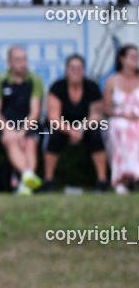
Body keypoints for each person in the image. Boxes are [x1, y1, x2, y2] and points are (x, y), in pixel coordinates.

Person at [42, 54, 108, 192]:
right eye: (72, 68)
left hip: (86, 125)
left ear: (84, 70)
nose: (76, 71)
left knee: (96, 135)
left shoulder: (92, 87)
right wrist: (70, 131)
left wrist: (81, 128)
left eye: (79, 68)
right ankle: (48, 181)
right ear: (66, 70)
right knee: (53, 136)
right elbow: (53, 117)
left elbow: (95, 115)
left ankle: (102, 181)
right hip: (62, 125)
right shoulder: (57, 87)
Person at [0, 45, 43, 195]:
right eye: (18, 60)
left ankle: (25, 185)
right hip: (5, 123)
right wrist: (8, 129)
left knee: (30, 143)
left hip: (28, 123)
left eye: (24, 59)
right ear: (9, 62)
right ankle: (28, 176)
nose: (22, 63)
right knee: (11, 140)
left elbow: (35, 111)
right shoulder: (0, 80)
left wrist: (23, 131)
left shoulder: (35, 80)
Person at [102, 44, 139, 194]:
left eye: (137, 57)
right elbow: (106, 108)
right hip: (118, 118)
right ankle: (121, 179)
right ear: (122, 59)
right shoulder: (112, 81)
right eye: (132, 57)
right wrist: (122, 114)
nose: (135, 60)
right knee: (120, 127)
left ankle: (135, 176)